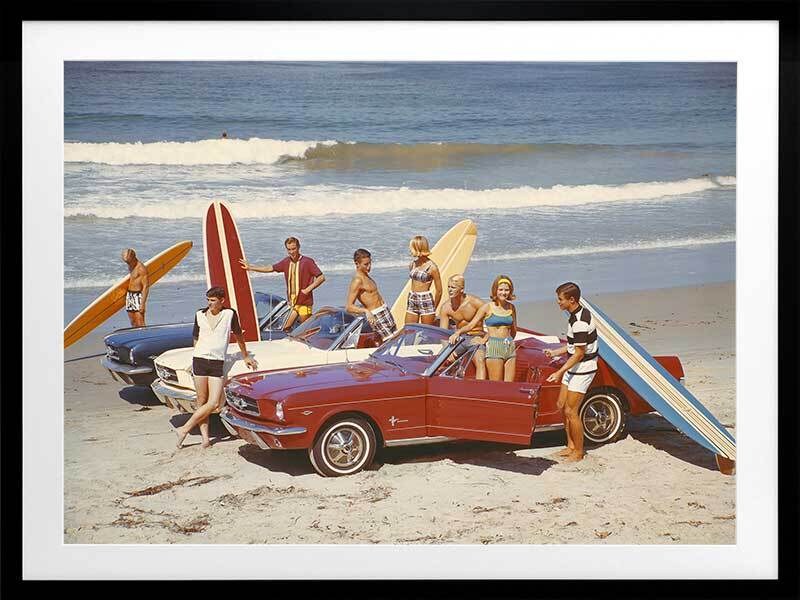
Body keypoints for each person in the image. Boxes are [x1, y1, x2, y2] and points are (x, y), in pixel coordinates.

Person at [174, 287, 258, 449]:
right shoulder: (199, 314)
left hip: (216, 362)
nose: (209, 303)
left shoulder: (229, 314)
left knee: (213, 403)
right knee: (201, 401)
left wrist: (245, 355)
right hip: (199, 360)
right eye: (208, 300)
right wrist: (194, 356)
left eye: (213, 300)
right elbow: (196, 337)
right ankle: (205, 439)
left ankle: (184, 429)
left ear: (222, 300)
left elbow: (239, 335)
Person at [543, 282, 598, 463]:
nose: (558, 302)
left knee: (571, 411)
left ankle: (579, 452)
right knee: (561, 405)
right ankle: (570, 446)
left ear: (571, 300)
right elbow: (573, 346)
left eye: (560, 299)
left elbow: (580, 354)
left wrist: (559, 372)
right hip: (574, 367)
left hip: (583, 369)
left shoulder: (580, 322)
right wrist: (555, 352)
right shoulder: (575, 316)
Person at [240, 237, 325, 331]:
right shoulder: (286, 262)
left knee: (305, 330)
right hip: (293, 303)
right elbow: (270, 268)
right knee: (285, 328)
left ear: (298, 247)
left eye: (294, 249)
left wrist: (307, 290)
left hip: (304, 303)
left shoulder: (307, 262)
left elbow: (321, 278)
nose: (291, 252)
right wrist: (251, 267)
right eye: (289, 249)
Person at [449, 275, 517, 382]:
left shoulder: (511, 307)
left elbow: (513, 330)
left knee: (509, 386)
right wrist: (458, 333)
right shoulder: (487, 307)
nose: (503, 293)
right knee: (496, 385)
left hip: (509, 347)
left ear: (510, 291)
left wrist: (510, 342)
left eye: (506, 290)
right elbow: (471, 325)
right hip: (494, 347)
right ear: (495, 290)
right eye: (500, 290)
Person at [439, 274, 487, 379]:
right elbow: (443, 333)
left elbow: (493, 318)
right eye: (448, 287)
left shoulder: (475, 302)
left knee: (480, 361)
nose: (450, 290)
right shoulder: (446, 307)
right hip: (460, 338)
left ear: (461, 289)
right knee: (440, 359)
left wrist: (485, 338)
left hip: (476, 336)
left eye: (453, 287)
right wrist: (446, 349)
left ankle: (480, 387)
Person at [345, 248, 397, 342]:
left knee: (396, 340)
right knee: (390, 343)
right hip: (376, 316)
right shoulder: (357, 281)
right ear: (357, 264)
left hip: (385, 311)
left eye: (370, 263)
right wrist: (366, 311)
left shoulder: (366, 275)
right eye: (365, 264)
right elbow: (349, 307)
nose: (369, 267)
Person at [405, 235, 442, 325]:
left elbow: (439, 291)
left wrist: (434, 308)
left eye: (411, 248)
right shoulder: (413, 264)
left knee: (426, 331)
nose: (410, 250)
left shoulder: (432, 267)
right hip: (412, 297)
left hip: (425, 299)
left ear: (418, 248)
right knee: (409, 329)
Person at [121, 248, 148, 327]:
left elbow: (146, 287)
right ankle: (136, 334)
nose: (127, 263)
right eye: (126, 262)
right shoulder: (130, 265)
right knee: (133, 321)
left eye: (128, 261)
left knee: (140, 322)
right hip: (130, 295)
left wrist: (142, 304)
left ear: (133, 257)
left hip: (138, 295)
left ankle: (144, 334)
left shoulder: (141, 268)